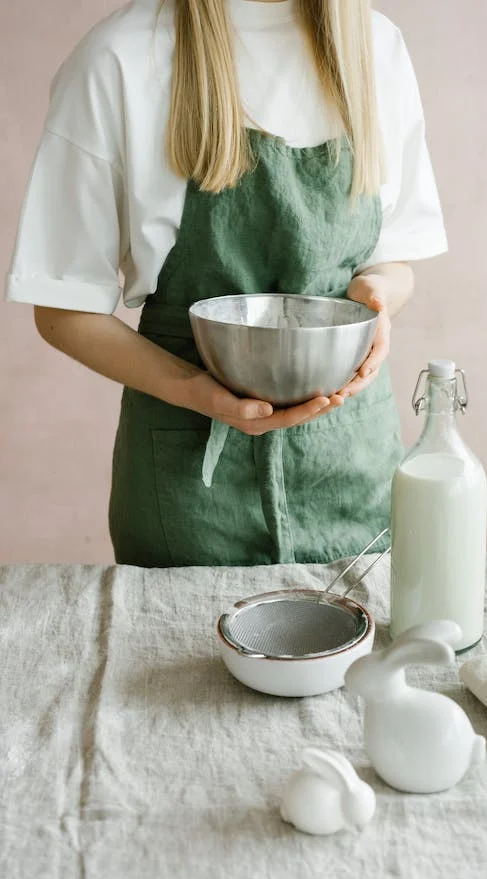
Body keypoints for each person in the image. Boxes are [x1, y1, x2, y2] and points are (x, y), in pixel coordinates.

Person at [5, 0, 447, 567]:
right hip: (189, 482)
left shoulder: (374, 46)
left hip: (354, 465)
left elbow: (393, 263)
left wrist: (377, 301)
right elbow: (62, 309)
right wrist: (193, 389)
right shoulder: (122, 56)